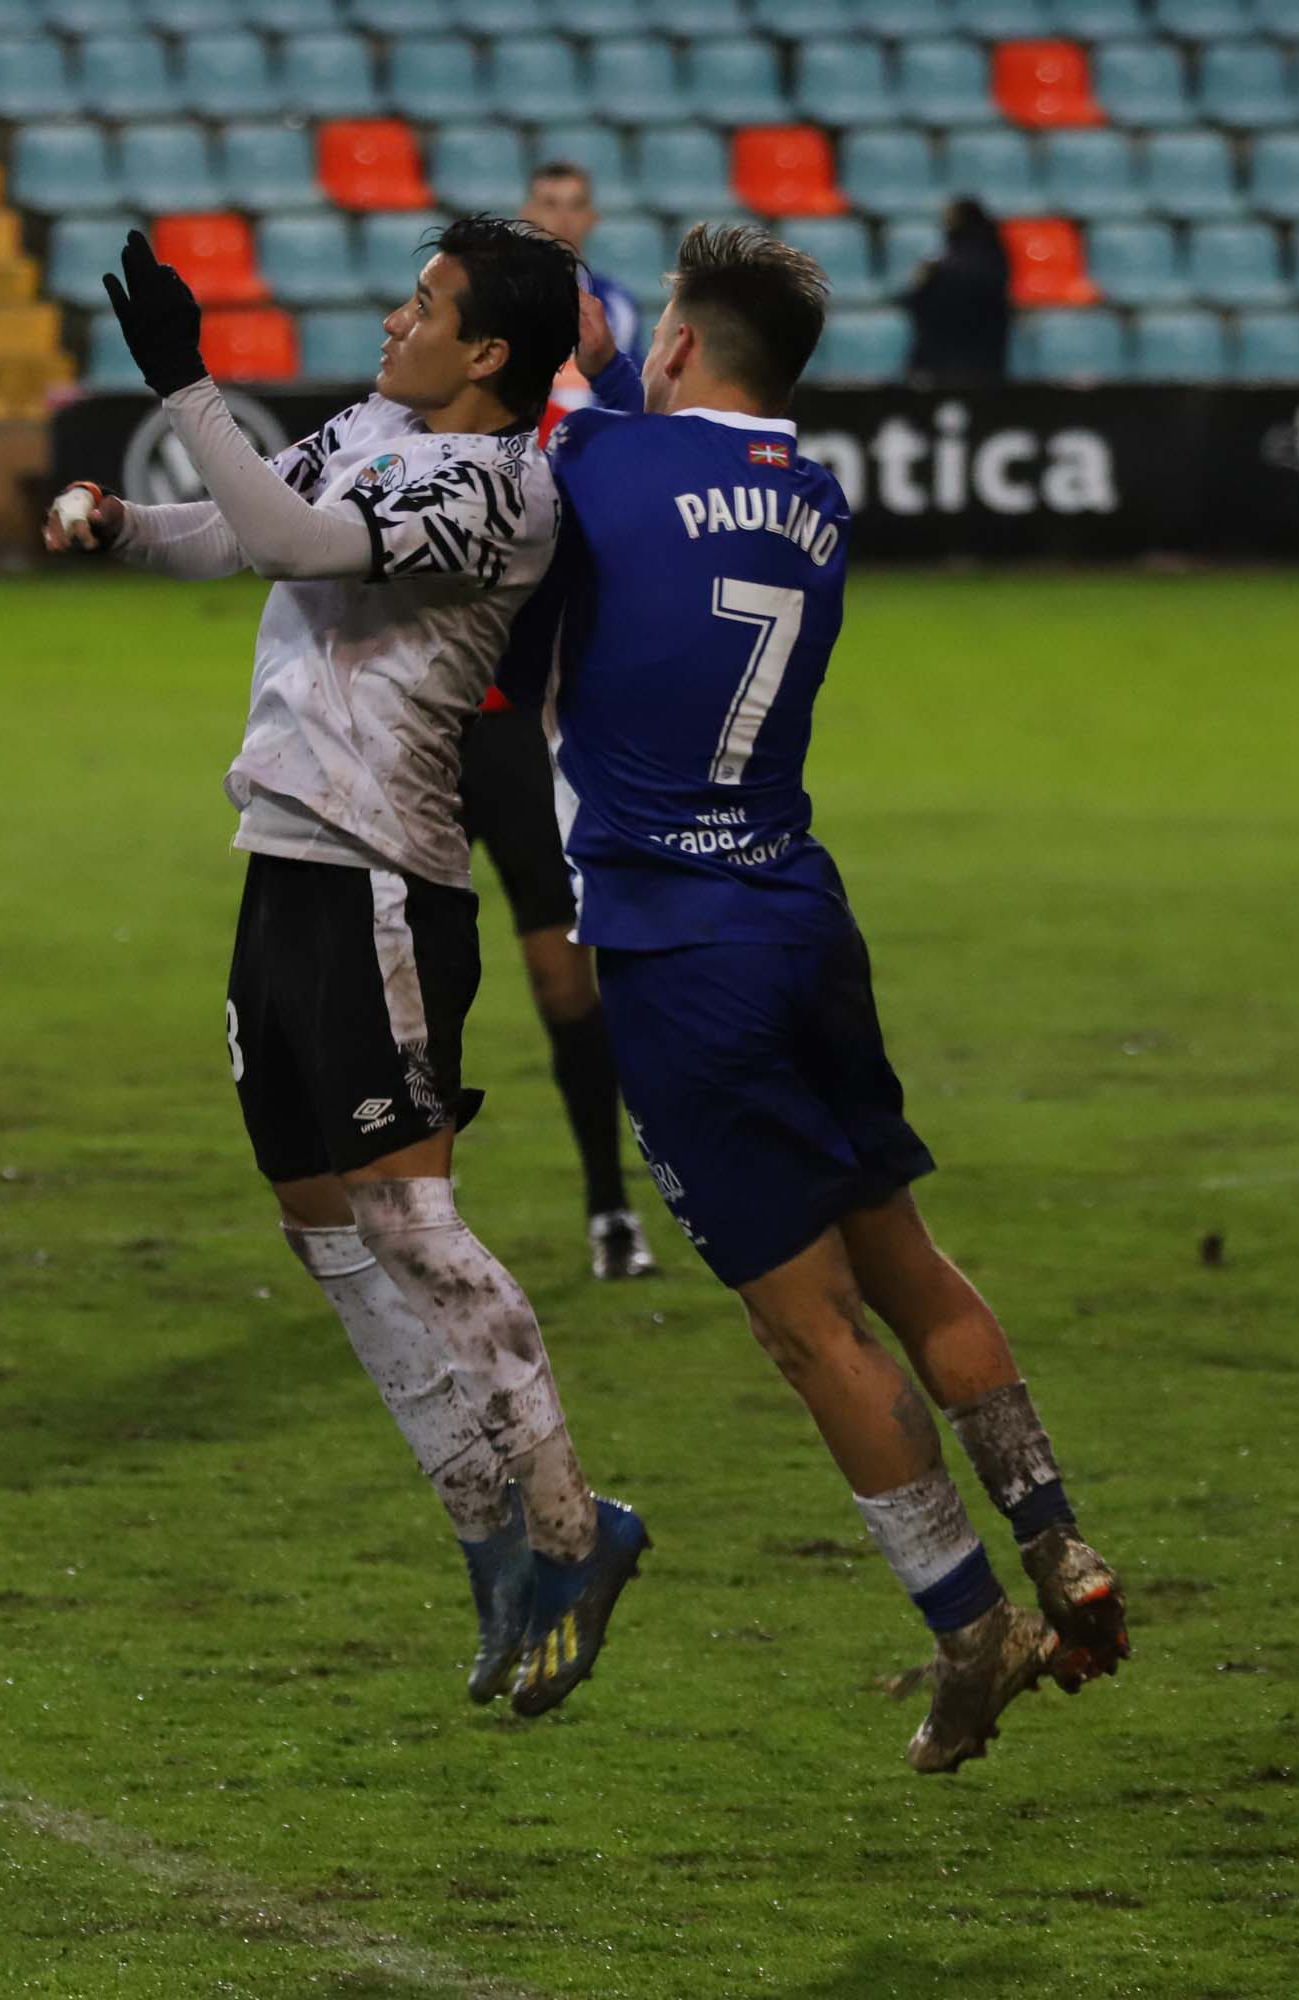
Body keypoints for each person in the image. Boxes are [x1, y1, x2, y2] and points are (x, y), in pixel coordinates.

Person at [501, 223, 1130, 1772]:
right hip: (800, 917)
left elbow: (548, 396)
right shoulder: (818, 499)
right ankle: (1058, 1538)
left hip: (678, 952)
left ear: (676, 346)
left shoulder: (605, 464)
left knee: (808, 1326)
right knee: (906, 1260)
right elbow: (627, 421)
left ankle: (971, 1626)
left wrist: (575, 337)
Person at [44, 223, 646, 1718]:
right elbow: (245, 523)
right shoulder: (381, 424)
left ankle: (578, 1530)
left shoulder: (500, 487)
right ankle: (484, 1531)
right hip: (285, 861)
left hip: (384, 879)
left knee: (413, 1222)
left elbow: (302, 547)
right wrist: (123, 524)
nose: (393, 319)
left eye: (424, 305)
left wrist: (187, 384)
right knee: (321, 1216)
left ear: (488, 352)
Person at [392, 163, 654, 1281]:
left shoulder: (575, 435)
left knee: (561, 981)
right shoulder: (408, 425)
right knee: (413, 993)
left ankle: (609, 1207)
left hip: (507, 739)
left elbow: (634, 524)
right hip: (411, 739)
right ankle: (418, 1223)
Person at [519, 160, 645, 440]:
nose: (564, 218)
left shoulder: (619, 305)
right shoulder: (500, 297)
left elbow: (629, 394)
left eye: (576, 206)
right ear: (527, 214)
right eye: (550, 204)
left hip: (596, 446)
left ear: (592, 217)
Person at [899, 198, 1011, 389]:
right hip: (980, 360)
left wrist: (925, 280)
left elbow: (916, 301)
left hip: (953, 359)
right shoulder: (996, 258)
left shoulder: (948, 268)